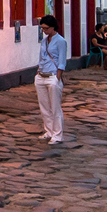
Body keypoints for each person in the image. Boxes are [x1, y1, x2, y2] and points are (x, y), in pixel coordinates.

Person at [34, 14, 68, 143]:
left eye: (46, 28)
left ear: (53, 27)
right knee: (44, 107)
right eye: (42, 28)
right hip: (41, 75)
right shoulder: (44, 40)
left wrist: (57, 77)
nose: (44, 31)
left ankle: (57, 134)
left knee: (55, 107)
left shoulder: (60, 41)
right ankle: (48, 131)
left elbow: (61, 60)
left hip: (52, 76)